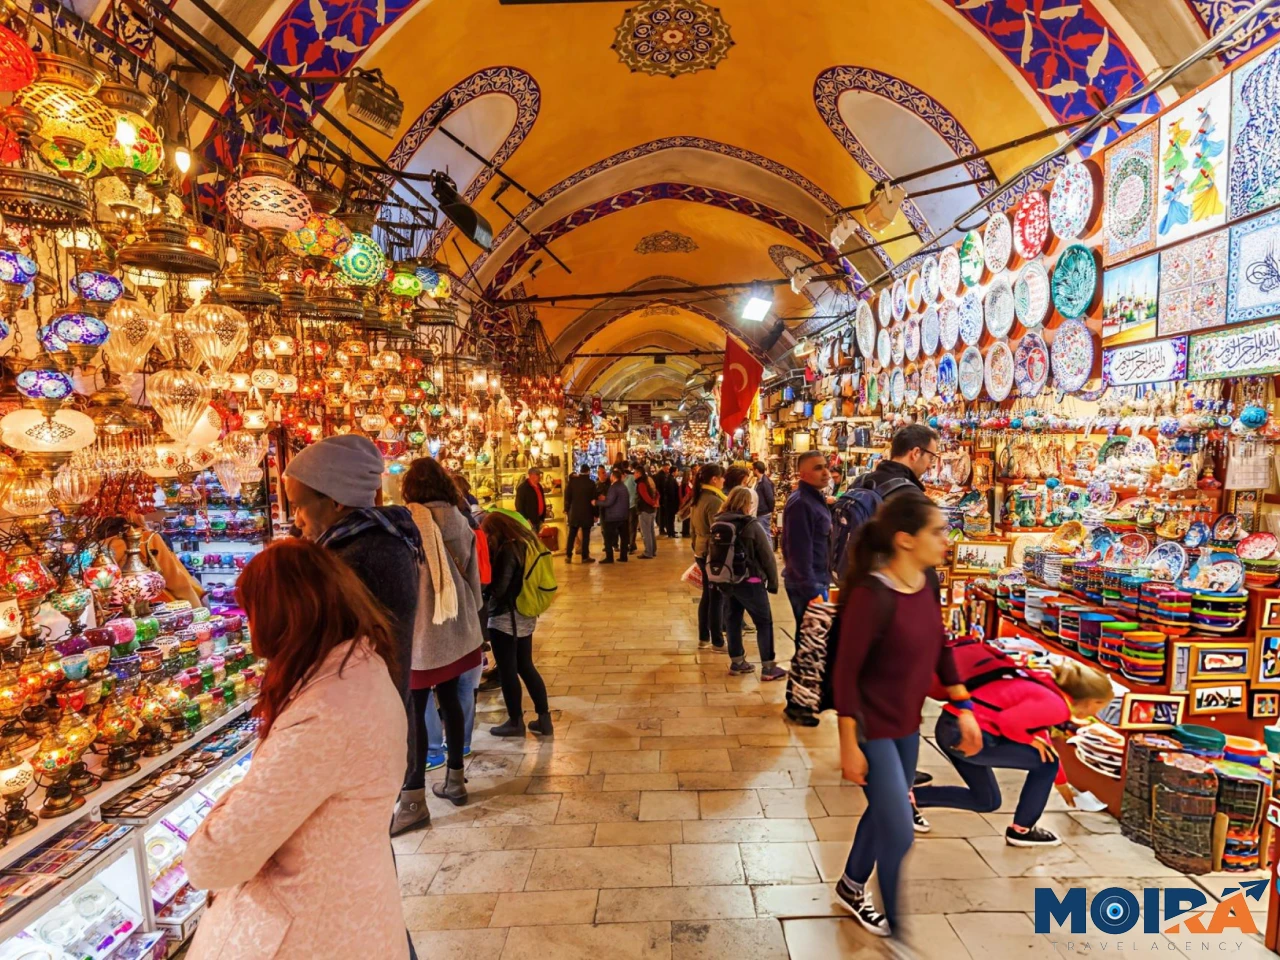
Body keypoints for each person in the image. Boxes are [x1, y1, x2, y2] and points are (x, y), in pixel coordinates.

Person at [184, 539, 409, 960]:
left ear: (281, 617)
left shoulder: (323, 715)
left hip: (311, 931)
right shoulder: (362, 667)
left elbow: (214, 860)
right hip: (350, 911)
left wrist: (224, 807)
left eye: (252, 613)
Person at [832, 493, 982, 939]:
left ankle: (851, 884)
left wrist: (965, 707)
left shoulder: (925, 581)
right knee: (899, 833)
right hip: (870, 728)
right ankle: (897, 932)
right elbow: (844, 675)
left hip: (906, 727)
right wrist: (847, 745)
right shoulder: (870, 595)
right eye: (936, 531)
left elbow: (939, 646)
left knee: (885, 811)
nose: (946, 539)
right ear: (905, 539)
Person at [283, 435, 426, 832]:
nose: (296, 519)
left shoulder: (360, 557)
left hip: (363, 730)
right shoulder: (369, 542)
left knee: (360, 844)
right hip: (375, 719)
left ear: (335, 501)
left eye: (299, 505)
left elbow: (324, 643)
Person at [915, 658, 1113, 848]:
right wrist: (1029, 741)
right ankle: (1022, 830)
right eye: (1099, 706)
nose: (1096, 713)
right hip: (967, 734)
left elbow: (1043, 740)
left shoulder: (1047, 688)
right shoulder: (1057, 707)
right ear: (1090, 701)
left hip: (953, 727)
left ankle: (906, 799)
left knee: (986, 801)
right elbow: (1009, 723)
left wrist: (1061, 783)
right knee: (1045, 764)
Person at [401, 458, 484, 809]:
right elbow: (473, 576)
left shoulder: (407, 523)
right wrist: (472, 615)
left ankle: (413, 797)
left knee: (415, 709)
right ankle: (455, 779)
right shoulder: (459, 521)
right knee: (450, 698)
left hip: (422, 632)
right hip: (457, 625)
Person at [482, 511, 552, 737]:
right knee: (526, 666)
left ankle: (515, 721)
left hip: (505, 619)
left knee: (507, 671)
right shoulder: (528, 543)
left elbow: (499, 589)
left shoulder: (507, 550)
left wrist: (485, 589)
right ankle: (544, 719)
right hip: (525, 615)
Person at [715, 487, 783, 680]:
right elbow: (767, 556)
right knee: (763, 622)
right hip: (750, 580)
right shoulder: (750, 525)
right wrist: (773, 582)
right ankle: (769, 668)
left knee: (733, 620)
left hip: (727, 580)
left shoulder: (719, 521)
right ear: (746, 504)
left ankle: (737, 662)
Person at [781, 451, 833, 641]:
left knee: (811, 641)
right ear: (802, 474)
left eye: (826, 466)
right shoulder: (802, 503)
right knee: (813, 643)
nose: (826, 472)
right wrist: (812, 591)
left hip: (815, 579)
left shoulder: (813, 499)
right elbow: (798, 551)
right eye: (818, 468)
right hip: (809, 583)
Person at [690, 464, 727, 648]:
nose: (724, 481)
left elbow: (692, 530)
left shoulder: (699, 497)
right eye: (722, 477)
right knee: (716, 597)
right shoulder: (714, 501)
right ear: (714, 479)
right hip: (711, 552)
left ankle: (704, 637)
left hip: (701, 549)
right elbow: (718, 531)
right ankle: (717, 641)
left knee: (708, 595)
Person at [564, 463, 599, 563]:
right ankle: (585, 556)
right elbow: (594, 500)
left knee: (572, 534)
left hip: (574, 513)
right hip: (587, 513)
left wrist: (566, 509)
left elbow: (568, 497)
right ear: (588, 471)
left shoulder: (572, 482)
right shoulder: (591, 483)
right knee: (586, 535)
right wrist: (596, 514)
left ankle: (568, 556)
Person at [599, 466, 631, 563]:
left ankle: (609, 557)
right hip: (624, 516)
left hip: (613, 516)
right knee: (624, 537)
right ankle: (623, 556)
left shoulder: (613, 487)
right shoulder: (623, 487)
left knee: (608, 537)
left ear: (613, 477)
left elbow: (609, 503)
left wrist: (596, 502)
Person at [635, 464, 660, 559]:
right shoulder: (649, 481)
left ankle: (648, 552)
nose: (634, 475)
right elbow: (657, 492)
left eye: (635, 473)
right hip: (652, 510)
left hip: (645, 510)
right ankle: (653, 550)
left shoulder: (641, 483)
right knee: (651, 531)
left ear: (639, 473)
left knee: (646, 533)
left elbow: (645, 497)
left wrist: (652, 503)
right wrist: (656, 502)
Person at [515, 467, 547, 533]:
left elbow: (542, 500)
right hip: (529, 522)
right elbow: (519, 506)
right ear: (531, 475)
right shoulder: (523, 488)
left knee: (537, 540)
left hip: (538, 520)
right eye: (537, 474)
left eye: (539, 474)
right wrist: (526, 519)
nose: (539, 477)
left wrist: (542, 517)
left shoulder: (539, 486)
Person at [753, 460, 775, 543]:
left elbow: (770, 498)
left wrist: (770, 510)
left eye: (753, 469)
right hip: (761, 512)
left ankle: (769, 555)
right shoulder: (760, 481)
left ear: (756, 470)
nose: (752, 471)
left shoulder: (765, 482)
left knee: (766, 535)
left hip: (763, 513)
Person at [658, 465, 679, 537]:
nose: (677, 472)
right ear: (673, 472)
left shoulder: (670, 478)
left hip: (668, 502)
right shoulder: (671, 480)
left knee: (670, 518)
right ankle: (671, 533)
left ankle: (671, 531)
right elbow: (671, 492)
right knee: (670, 518)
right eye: (677, 471)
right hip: (670, 502)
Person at [623, 465, 639, 553]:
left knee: (632, 527)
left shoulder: (631, 478)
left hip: (633, 505)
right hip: (626, 507)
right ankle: (631, 543)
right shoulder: (622, 482)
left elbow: (637, 487)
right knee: (628, 527)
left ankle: (632, 545)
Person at [677, 469, 694, 538]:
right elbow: (682, 494)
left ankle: (687, 531)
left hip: (690, 502)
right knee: (686, 518)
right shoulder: (684, 484)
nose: (691, 476)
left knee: (688, 518)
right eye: (690, 474)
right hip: (686, 503)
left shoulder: (689, 483)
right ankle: (685, 532)